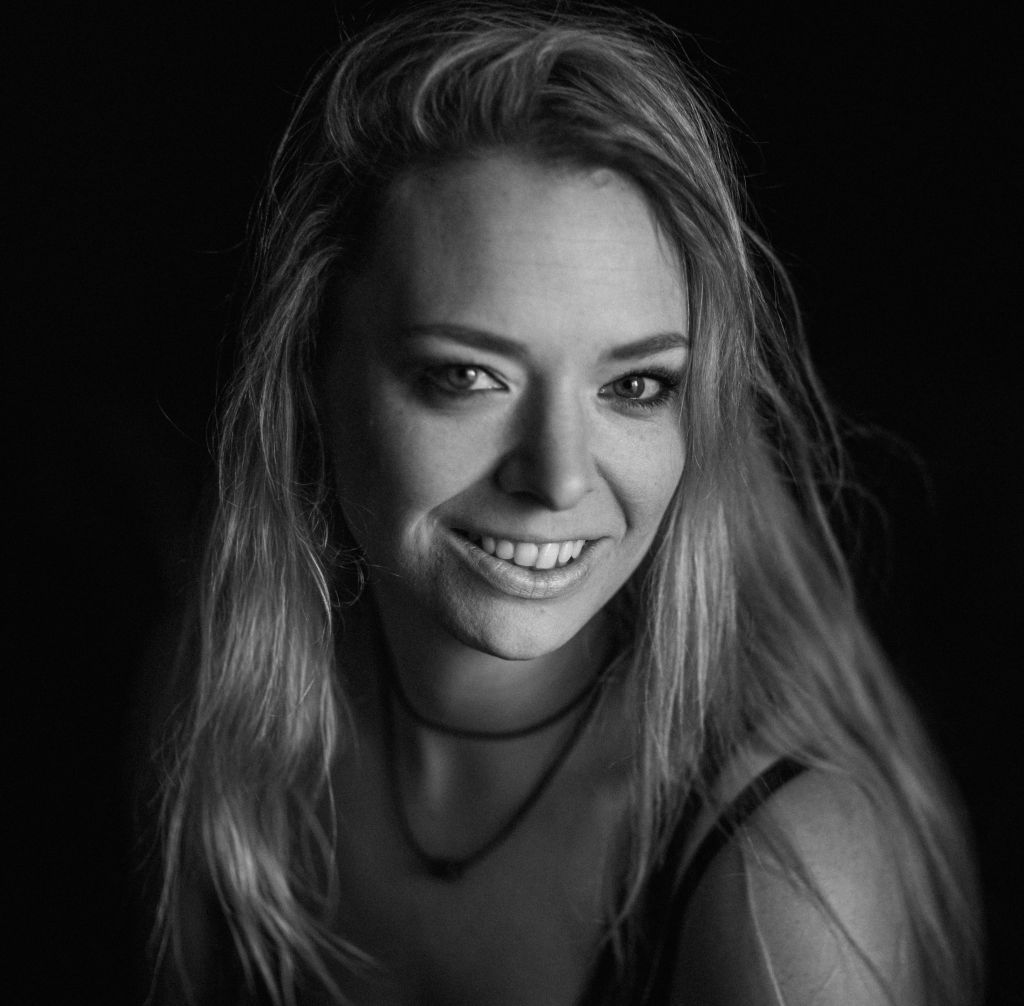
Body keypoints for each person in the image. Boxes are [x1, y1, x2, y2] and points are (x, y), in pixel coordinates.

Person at [145, 3, 983, 1003]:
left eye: (635, 386)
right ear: (308, 375)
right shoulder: (226, 702)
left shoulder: (782, 875)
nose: (559, 479)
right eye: (468, 375)